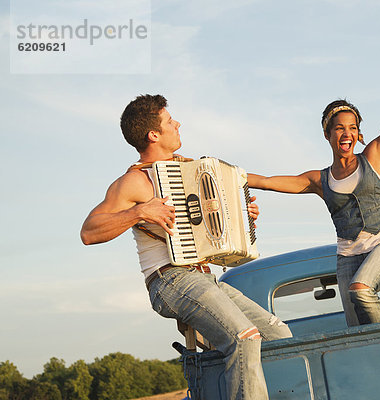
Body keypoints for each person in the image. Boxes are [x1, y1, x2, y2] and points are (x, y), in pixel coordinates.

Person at [80, 94, 292, 400]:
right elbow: (89, 232)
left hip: (204, 278)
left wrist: (243, 213)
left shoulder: (189, 169)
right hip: (169, 280)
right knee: (243, 338)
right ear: (153, 134)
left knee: (278, 335)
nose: (177, 123)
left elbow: (217, 214)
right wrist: (139, 212)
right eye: (169, 121)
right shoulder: (135, 182)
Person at [248, 56, 380, 327]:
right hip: (348, 256)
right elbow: (267, 181)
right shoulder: (319, 180)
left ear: (358, 133)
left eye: (352, 128)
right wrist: (223, 172)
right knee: (356, 327)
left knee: (361, 289)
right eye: (339, 128)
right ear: (327, 135)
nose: (346, 133)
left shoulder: (373, 156)